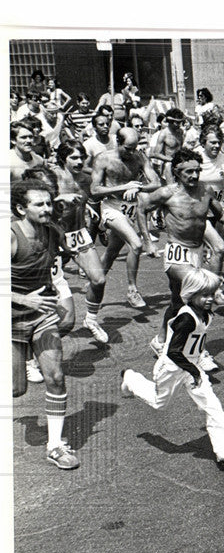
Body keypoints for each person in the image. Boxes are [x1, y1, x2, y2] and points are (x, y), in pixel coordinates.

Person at [121, 268, 224, 468]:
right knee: (160, 403)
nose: (210, 299)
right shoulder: (186, 319)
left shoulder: (205, 313)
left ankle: (223, 449)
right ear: (191, 294)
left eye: (212, 294)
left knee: (212, 404)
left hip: (190, 365)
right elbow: (173, 352)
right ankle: (131, 379)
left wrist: (195, 368)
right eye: (204, 295)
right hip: (172, 366)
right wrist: (194, 371)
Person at [10, 179, 86, 470]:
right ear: (20, 208)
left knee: (55, 376)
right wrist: (22, 299)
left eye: (48, 202)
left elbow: (66, 252)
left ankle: (55, 446)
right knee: (16, 390)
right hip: (10, 317)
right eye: (38, 204)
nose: (46, 208)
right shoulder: (11, 236)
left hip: (42, 315)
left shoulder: (53, 231)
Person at [139, 147, 224, 372]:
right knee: (199, 295)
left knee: (179, 302)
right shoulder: (166, 193)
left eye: (197, 171)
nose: (194, 176)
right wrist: (148, 242)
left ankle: (160, 340)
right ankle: (198, 352)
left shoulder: (205, 190)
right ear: (177, 172)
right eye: (188, 172)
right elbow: (142, 209)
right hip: (176, 252)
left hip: (196, 251)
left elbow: (218, 212)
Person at [89, 127, 161, 314]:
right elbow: (95, 190)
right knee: (136, 245)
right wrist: (124, 186)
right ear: (118, 142)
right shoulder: (103, 158)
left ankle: (94, 286)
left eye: (134, 148)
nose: (131, 152)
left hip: (128, 208)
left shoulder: (139, 157)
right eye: (128, 148)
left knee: (112, 253)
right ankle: (132, 290)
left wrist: (137, 188)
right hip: (110, 207)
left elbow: (156, 183)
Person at [51, 141, 109, 344]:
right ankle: (35, 343)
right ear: (62, 158)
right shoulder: (52, 175)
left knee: (99, 279)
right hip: (54, 236)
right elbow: (37, 202)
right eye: (73, 157)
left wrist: (91, 211)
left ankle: (91, 320)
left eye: (81, 157)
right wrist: (60, 197)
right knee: (46, 289)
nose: (78, 161)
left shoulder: (85, 178)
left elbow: (90, 198)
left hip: (78, 234)